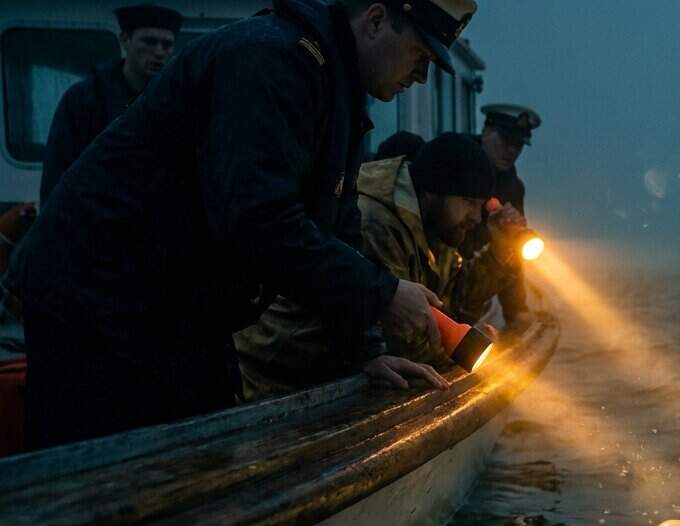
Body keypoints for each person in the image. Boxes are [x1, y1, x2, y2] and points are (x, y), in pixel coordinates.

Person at [4, 0, 477, 449]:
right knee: (102, 483)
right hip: (97, 303)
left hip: (173, 308)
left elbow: (337, 230)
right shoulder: (268, 60)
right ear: (375, 21)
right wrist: (383, 294)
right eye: (420, 52)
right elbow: (255, 218)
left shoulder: (336, 94)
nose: (422, 74)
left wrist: (364, 350)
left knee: (199, 446)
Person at [236, 132, 494, 398]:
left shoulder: (437, 227)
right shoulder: (376, 221)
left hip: (325, 375)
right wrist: (461, 346)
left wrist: (498, 259)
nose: (476, 217)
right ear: (432, 192)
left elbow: (449, 302)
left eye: (480, 206)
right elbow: (401, 338)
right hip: (277, 378)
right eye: (468, 202)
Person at [40, 4, 184, 203]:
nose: (159, 52)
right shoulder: (84, 100)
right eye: (149, 41)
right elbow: (58, 169)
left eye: (167, 45)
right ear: (125, 40)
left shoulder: (175, 104)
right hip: (94, 218)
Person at [453, 103, 542, 324]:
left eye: (518, 145)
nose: (512, 151)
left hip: (476, 287)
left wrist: (516, 312)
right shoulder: (454, 164)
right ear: (486, 132)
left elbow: (514, 252)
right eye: (506, 141)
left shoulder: (512, 188)